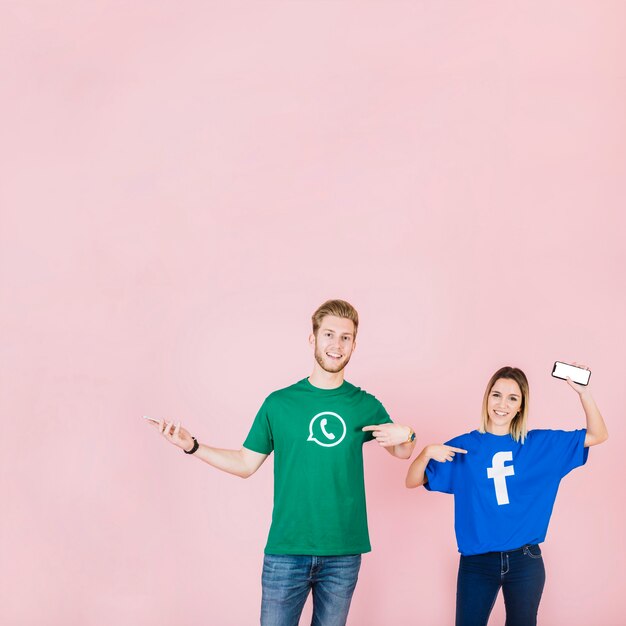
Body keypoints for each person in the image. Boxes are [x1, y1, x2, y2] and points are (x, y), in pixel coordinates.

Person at [147, 299, 416, 626]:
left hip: (344, 553)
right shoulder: (279, 404)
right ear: (312, 339)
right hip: (286, 552)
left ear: (354, 345)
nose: (336, 344)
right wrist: (193, 446)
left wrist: (408, 433)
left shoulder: (364, 405)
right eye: (329, 334)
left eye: (345, 337)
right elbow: (246, 463)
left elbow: (402, 452)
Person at [405, 364, 608, 626]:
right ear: (487, 397)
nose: (502, 404)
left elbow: (598, 435)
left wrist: (584, 394)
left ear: (521, 406)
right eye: (497, 395)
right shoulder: (464, 447)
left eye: (513, 398)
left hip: (525, 561)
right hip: (477, 563)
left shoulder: (539, 445)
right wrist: (425, 454)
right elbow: (412, 480)